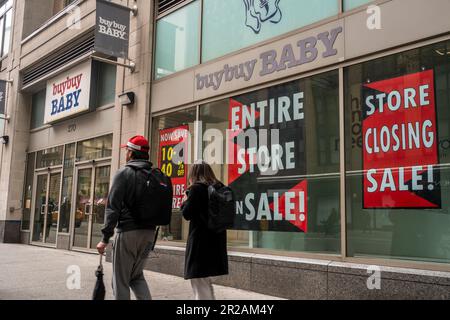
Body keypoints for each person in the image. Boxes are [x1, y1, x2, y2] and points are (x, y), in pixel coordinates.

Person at [96, 135, 156, 300]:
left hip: (128, 234)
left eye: (127, 150)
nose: (125, 153)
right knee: (136, 276)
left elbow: (112, 208)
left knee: (120, 281)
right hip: (149, 235)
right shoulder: (155, 175)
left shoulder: (123, 173)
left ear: (131, 153)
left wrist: (105, 238)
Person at [181, 161, 229, 300]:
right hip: (216, 240)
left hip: (200, 242)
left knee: (198, 279)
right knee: (203, 280)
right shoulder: (219, 187)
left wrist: (185, 200)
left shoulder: (196, 189)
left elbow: (186, 214)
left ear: (193, 173)